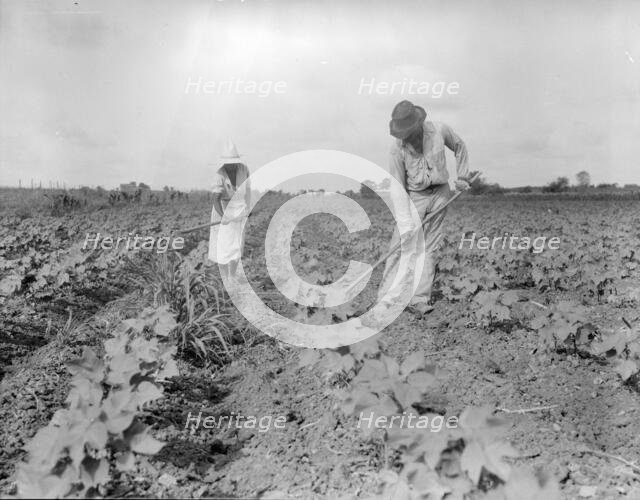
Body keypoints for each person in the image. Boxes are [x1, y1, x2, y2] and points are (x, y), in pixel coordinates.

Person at [379, 100, 470, 315]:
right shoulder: (397, 149)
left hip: (440, 192)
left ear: (419, 124)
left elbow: (460, 146)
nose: (408, 139)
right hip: (415, 197)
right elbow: (397, 187)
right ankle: (386, 299)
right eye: (404, 135)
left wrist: (463, 176)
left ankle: (419, 299)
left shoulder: (440, 130)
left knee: (429, 247)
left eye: (410, 132)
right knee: (402, 245)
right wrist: (405, 222)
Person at [208, 139, 251, 280]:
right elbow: (215, 198)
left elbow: (248, 190)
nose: (231, 167)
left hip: (239, 209)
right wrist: (223, 216)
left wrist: (248, 208)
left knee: (237, 245)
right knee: (224, 246)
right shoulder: (219, 175)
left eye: (233, 164)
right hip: (223, 208)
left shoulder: (244, 170)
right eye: (228, 164)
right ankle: (225, 277)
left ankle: (232, 276)